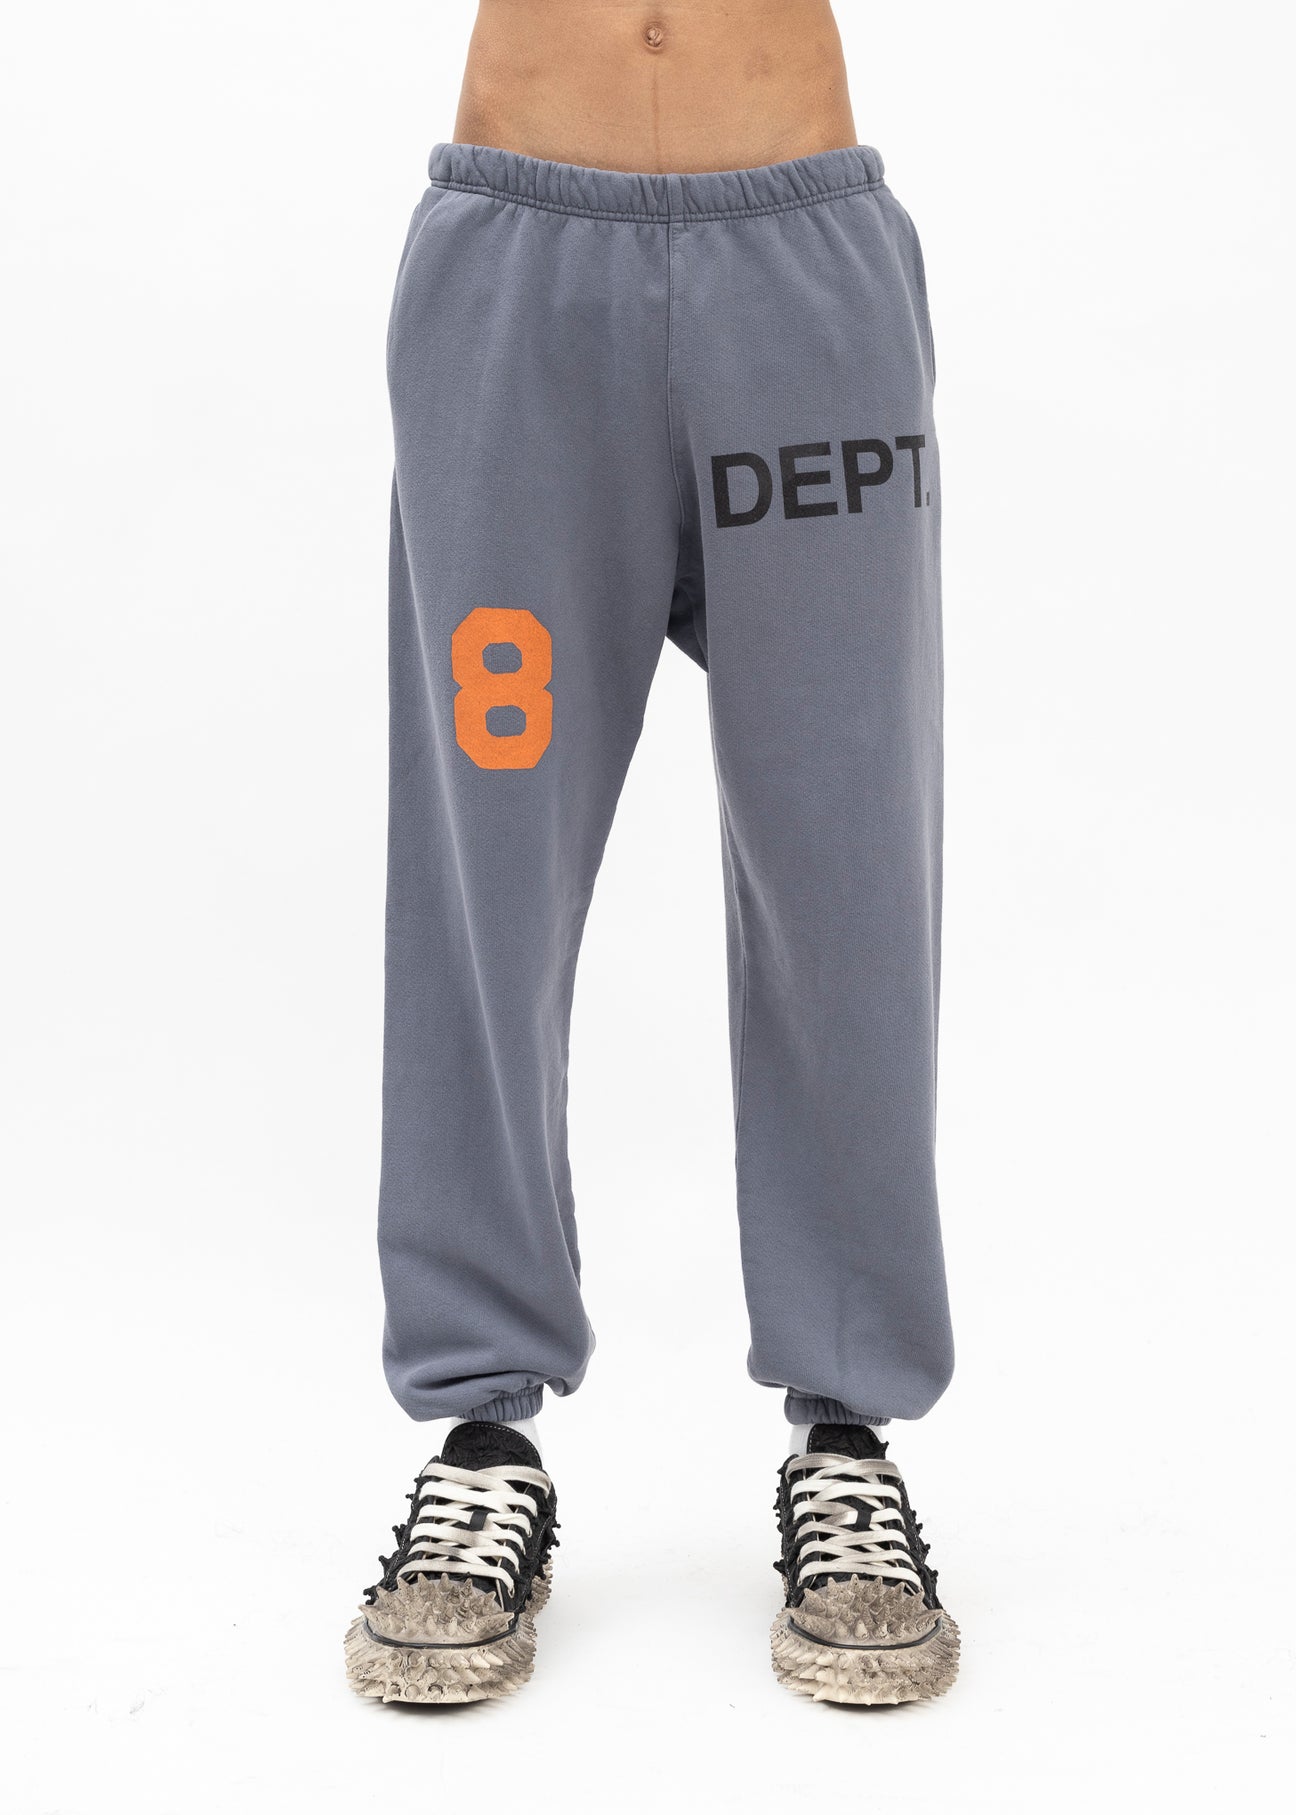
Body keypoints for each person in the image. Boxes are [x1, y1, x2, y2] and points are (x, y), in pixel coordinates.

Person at [344, 0, 958, 1707]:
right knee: (485, 875)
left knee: (848, 873)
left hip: (803, 265)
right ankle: (483, 1436)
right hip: (516, 270)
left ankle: (849, 1433)